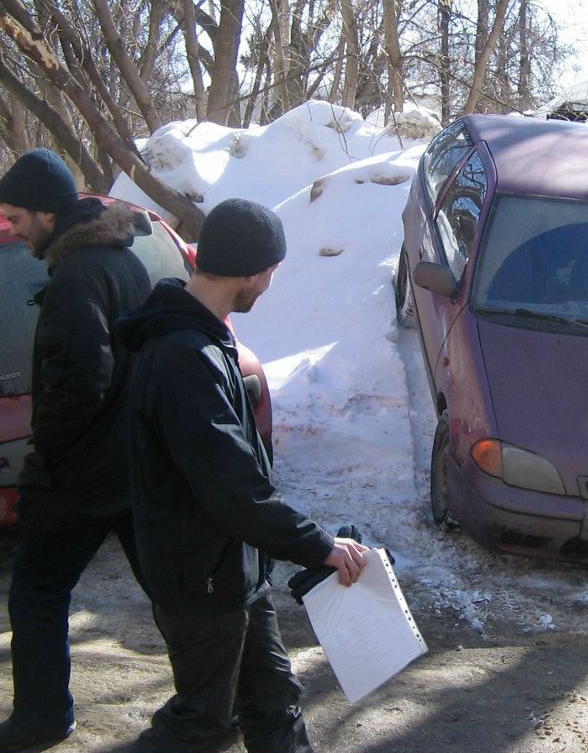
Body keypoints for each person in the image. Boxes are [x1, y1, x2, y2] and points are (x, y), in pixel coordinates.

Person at [115, 198, 367, 753]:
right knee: (203, 724)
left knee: (274, 701)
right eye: (272, 271)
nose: (271, 284)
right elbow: (230, 486)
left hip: (233, 570)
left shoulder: (203, 336)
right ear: (251, 272)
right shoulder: (183, 355)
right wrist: (317, 545)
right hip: (200, 579)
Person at [0, 149, 152, 752]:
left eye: (16, 218)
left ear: (46, 213)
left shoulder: (76, 278)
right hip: (131, 463)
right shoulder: (122, 259)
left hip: (84, 473)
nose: (14, 229)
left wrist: (46, 464)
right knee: (177, 595)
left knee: (36, 589)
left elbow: (79, 383)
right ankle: (225, 704)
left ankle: (41, 720)